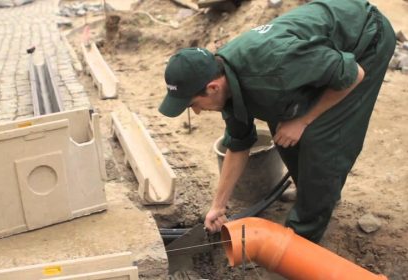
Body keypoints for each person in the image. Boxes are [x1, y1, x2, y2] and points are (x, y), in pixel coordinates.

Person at [158, 0, 396, 243]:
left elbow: (353, 73)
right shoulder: (226, 80)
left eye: (193, 105)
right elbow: (239, 143)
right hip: (322, 55)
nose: (197, 112)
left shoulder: (273, 66)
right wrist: (218, 206)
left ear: (212, 87)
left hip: (366, 39)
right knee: (282, 127)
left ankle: (302, 239)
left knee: (321, 139)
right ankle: (316, 196)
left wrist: (304, 120)